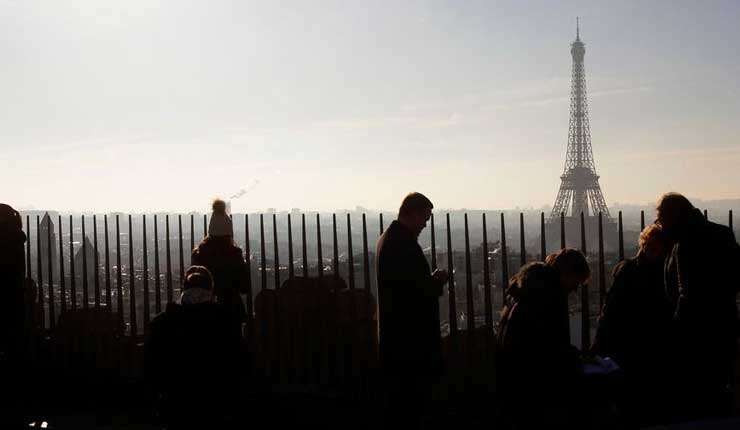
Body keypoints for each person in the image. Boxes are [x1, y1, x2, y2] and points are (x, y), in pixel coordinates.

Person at [657, 192, 740, 421]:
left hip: (694, 335)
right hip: (723, 327)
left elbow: (685, 295)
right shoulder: (722, 234)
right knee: (718, 394)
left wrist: (675, 332)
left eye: (661, 219)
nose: (660, 225)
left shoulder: (683, 244)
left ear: (672, 217)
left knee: (696, 400)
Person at [376, 192, 448, 430]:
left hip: (395, 340)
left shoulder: (387, 240)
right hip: (410, 343)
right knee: (409, 408)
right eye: (425, 218)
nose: (425, 225)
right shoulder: (404, 245)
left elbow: (404, 286)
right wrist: (436, 282)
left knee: (399, 408)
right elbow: (416, 293)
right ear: (414, 214)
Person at [497, 248, 591, 429]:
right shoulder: (549, 295)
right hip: (532, 381)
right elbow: (549, 345)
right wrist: (576, 358)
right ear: (567, 273)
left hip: (512, 373)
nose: (575, 288)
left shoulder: (528, 286)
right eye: (576, 282)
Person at [592, 224, 673, 427]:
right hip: (637, 348)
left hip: (644, 347)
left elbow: (609, 311)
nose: (651, 252)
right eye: (649, 247)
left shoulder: (632, 270)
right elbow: (610, 311)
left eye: (655, 249)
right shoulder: (661, 271)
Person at [143, 265, 242, 429]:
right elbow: (239, 361)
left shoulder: (163, 322)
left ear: (183, 289)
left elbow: (151, 365)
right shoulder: (226, 322)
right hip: (217, 404)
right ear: (211, 290)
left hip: (175, 403)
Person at [192, 199, 249, 331]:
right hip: (231, 311)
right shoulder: (234, 254)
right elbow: (244, 287)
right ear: (228, 233)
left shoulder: (199, 254)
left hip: (204, 312)